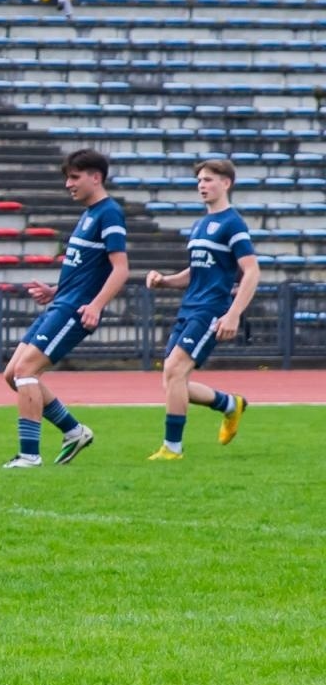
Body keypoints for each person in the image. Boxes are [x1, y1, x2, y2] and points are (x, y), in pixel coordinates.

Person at [0, 149, 128, 468]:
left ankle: (29, 455)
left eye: (74, 177)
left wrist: (96, 306)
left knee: (26, 372)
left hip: (74, 310)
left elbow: (121, 269)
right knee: (12, 374)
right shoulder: (89, 214)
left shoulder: (109, 213)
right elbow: (87, 271)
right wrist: (54, 291)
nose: (68, 184)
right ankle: (74, 431)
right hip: (61, 303)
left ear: (95, 177)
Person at [143, 159, 258, 461]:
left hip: (211, 309)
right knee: (172, 380)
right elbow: (196, 272)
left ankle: (172, 448)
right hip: (189, 307)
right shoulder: (200, 225)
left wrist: (233, 314)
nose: (201, 186)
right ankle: (230, 404)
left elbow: (252, 271)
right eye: (199, 181)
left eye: (208, 180)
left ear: (226, 183)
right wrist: (165, 281)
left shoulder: (233, 223)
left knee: (175, 370)